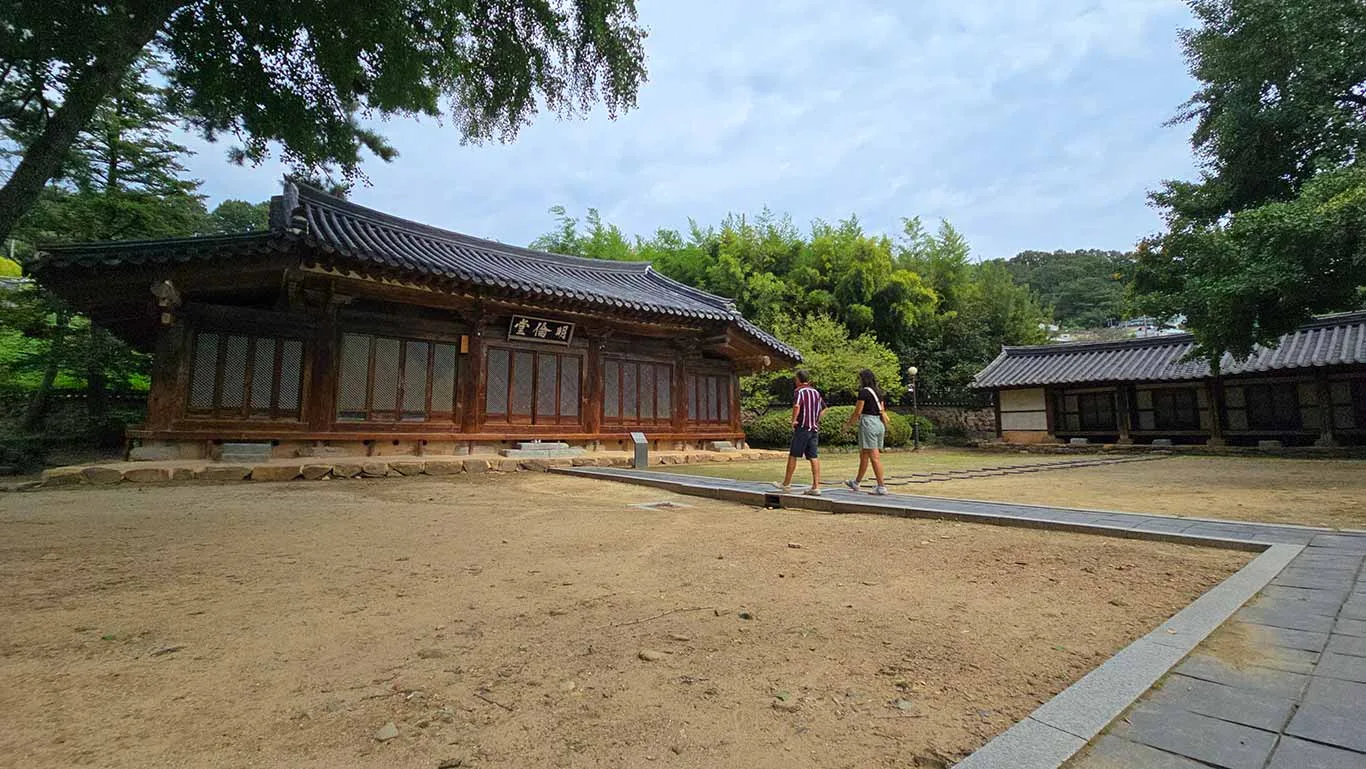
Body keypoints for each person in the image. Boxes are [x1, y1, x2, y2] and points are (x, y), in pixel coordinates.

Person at [774, 369, 825, 495]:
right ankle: (816, 486)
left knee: (793, 455)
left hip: (802, 427)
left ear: (798, 379)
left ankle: (786, 483)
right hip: (813, 428)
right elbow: (823, 409)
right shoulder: (816, 392)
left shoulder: (799, 391)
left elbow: (797, 406)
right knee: (813, 456)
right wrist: (816, 420)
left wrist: (793, 420)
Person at [842, 369, 889, 495]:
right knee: (864, 454)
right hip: (878, 423)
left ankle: (881, 486)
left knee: (874, 457)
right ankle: (856, 482)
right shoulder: (878, 392)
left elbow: (857, 412)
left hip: (868, 423)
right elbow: (882, 410)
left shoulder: (863, 392)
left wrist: (848, 425)